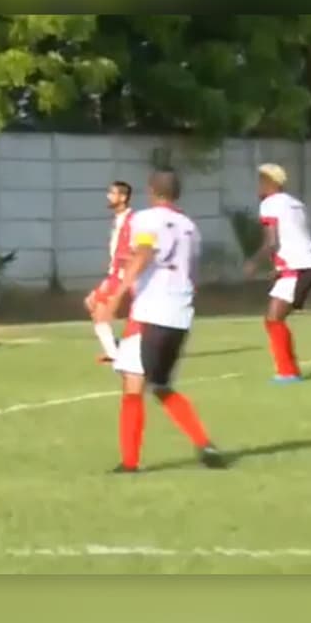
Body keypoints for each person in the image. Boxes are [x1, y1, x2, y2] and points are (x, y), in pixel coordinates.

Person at [104, 169, 226, 473]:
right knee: (160, 385)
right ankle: (204, 443)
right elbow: (192, 273)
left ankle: (130, 462)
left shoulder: (145, 219)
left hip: (149, 312)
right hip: (180, 314)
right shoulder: (190, 227)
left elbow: (145, 253)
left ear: (151, 191)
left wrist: (117, 295)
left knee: (133, 385)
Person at [243, 163, 311, 383]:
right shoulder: (297, 204)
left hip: (296, 268)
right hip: (305, 265)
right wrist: (278, 269)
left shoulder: (270, 204)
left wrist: (254, 263)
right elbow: (296, 237)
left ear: (270, 183)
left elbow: (272, 242)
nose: (258, 187)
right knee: (274, 318)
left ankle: (288, 372)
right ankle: (288, 370)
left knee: (274, 319)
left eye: (260, 182)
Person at [84, 181, 137, 363]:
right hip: (116, 274)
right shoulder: (119, 219)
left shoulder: (131, 221)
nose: (108, 196)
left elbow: (134, 250)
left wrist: (124, 273)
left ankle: (115, 352)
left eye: (112, 193)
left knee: (99, 308)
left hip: (122, 275)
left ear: (123, 197)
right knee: (95, 306)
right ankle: (116, 348)